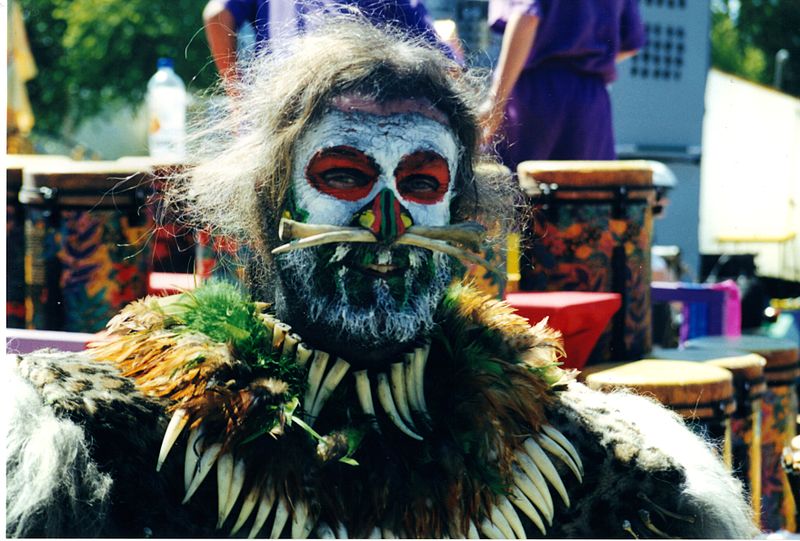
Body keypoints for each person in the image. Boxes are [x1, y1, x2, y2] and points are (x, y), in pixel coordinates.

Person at [6, 15, 757, 538]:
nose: (386, 219)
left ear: (461, 211)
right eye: (344, 173)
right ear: (270, 205)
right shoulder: (102, 443)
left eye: (423, 182)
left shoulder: (596, 465)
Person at [483, 0, 645, 171]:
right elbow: (631, 43)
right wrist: (587, 58)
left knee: (512, 188)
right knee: (590, 190)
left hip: (536, 93)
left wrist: (496, 102)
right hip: (592, 99)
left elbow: (527, 17)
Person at [203, 0, 445, 83]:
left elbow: (216, 15)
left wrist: (238, 99)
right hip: (357, 114)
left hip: (275, 113)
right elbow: (444, 62)